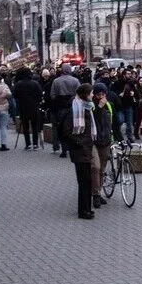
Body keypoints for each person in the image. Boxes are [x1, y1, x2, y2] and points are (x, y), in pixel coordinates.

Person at [59, 83, 96, 219]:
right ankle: (83, 211)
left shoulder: (87, 107)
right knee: (83, 181)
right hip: (79, 150)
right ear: (86, 95)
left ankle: (87, 208)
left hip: (86, 148)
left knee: (88, 181)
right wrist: (79, 143)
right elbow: (67, 131)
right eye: (91, 93)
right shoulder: (74, 109)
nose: (93, 95)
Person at [13, 68, 44, 150]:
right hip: (34, 107)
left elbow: (15, 95)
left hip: (23, 107)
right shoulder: (35, 83)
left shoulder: (18, 84)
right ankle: (35, 144)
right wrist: (37, 101)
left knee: (25, 126)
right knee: (35, 126)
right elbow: (40, 94)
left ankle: (28, 144)